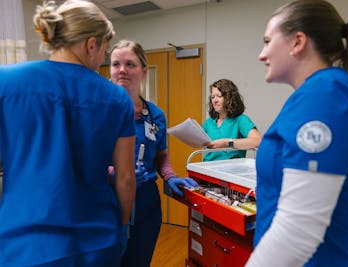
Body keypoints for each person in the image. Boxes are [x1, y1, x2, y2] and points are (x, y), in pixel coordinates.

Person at [245, 1, 348, 266]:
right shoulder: (322, 93)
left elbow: (298, 231)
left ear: (297, 42)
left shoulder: (326, 95)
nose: (262, 54)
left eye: (268, 41)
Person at [0, 1, 136, 266]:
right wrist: (119, 227)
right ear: (91, 44)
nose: (101, 61)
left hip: (25, 246)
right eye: (105, 52)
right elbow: (126, 178)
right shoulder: (117, 98)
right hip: (97, 243)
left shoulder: (6, 83)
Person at [109, 40, 198, 267]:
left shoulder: (155, 115)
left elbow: (161, 155)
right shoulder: (100, 110)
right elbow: (85, 158)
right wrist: (113, 173)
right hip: (109, 198)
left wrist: (170, 176)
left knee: (139, 261)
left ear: (143, 71)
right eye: (115, 64)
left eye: (130, 64)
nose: (122, 70)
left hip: (146, 200)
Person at [202, 78, 261, 161]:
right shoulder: (209, 123)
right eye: (212, 97)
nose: (215, 100)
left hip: (230, 169)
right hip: (207, 168)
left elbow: (257, 141)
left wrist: (227, 143)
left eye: (219, 96)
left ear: (230, 98)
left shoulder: (241, 120)